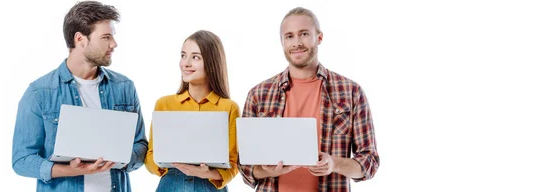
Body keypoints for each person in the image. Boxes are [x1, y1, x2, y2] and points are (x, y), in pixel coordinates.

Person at [237, 7, 380, 192]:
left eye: (303, 34)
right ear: (282, 42)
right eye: (289, 36)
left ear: (319, 38)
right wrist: (267, 171)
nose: (296, 43)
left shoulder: (350, 92)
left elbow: (369, 162)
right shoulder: (258, 95)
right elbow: (245, 166)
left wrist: (333, 164)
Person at [11, 1, 148, 191]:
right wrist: (68, 170)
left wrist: (121, 158)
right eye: (106, 37)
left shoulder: (124, 87)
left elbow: (140, 145)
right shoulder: (39, 93)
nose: (114, 44)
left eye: (113, 36)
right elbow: (22, 160)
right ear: (80, 39)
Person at [144, 30, 239, 192]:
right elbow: (150, 156)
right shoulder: (164, 104)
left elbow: (234, 163)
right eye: (183, 55)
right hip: (171, 184)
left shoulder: (228, 107)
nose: (185, 63)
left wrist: (207, 172)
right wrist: (169, 164)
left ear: (212, 62)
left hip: (209, 185)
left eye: (195, 57)